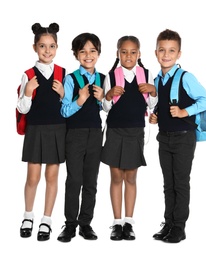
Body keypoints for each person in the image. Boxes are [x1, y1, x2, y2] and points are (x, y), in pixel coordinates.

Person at [150, 29, 206, 243]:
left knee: (181, 183)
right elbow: (163, 103)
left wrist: (185, 112)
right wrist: (156, 115)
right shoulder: (158, 79)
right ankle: (168, 223)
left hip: (184, 137)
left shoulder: (186, 77)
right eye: (162, 50)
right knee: (168, 183)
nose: (166, 55)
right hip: (164, 138)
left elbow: (205, 100)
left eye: (171, 51)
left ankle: (179, 226)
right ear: (156, 52)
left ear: (179, 54)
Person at [101, 35, 157, 241]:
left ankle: (129, 222)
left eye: (133, 52)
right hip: (115, 131)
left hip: (135, 132)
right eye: (124, 52)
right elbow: (106, 108)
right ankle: (117, 223)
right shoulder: (112, 76)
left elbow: (151, 105)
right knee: (116, 177)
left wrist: (153, 91)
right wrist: (108, 96)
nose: (128, 56)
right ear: (118, 54)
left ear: (139, 54)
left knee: (131, 177)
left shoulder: (147, 74)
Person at [17, 23, 66, 241]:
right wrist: (27, 92)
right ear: (34, 47)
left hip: (57, 129)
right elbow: (22, 108)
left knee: (52, 176)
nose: (47, 51)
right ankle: (28, 215)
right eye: (43, 46)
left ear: (57, 47)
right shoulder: (28, 74)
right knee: (33, 177)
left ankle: (47, 219)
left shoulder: (62, 73)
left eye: (52, 46)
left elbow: (68, 107)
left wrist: (64, 94)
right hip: (35, 130)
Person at [57, 33, 105, 243]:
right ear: (76, 54)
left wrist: (103, 98)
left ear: (99, 53)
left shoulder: (104, 78)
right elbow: (64, 111)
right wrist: (80, 99)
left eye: (92, 51)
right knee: (74, 180)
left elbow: (108, 109)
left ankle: (85, 223)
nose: (88, 55)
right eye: (83, 51)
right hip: (74, 135)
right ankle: (69, 224)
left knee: (90, 181)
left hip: (95, 134)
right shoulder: (70, 79)